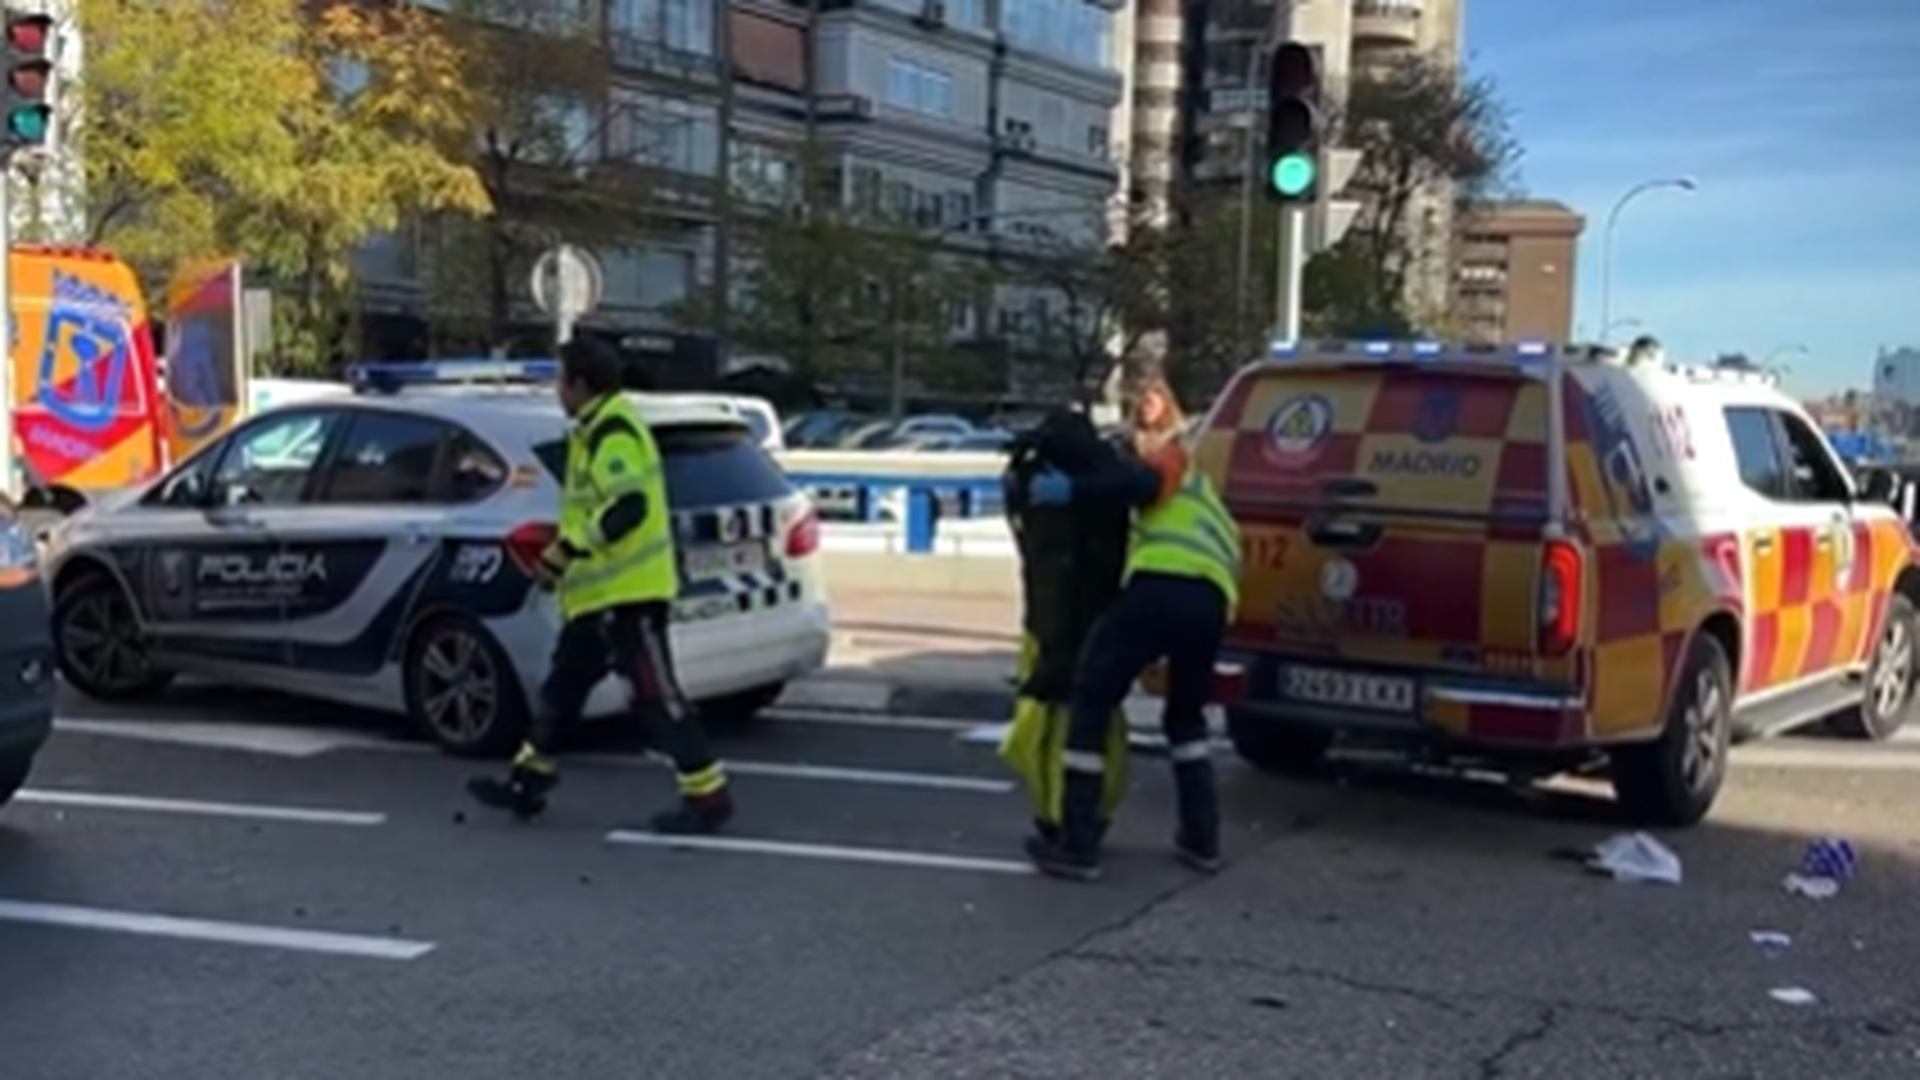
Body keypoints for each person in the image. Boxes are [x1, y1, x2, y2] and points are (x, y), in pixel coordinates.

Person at [466, 338, 734, 835]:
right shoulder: (594, 429)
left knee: (655, 697)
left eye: (560, 380)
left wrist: (567, 551)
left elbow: (628, 507)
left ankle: (707, 797)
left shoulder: (613, 431)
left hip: (630, 596)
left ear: (581, 384)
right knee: (562, 692)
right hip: (599, 598)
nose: (556, 391)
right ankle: (528, 781)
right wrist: (564, 564)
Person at [1020, 380, 1240, 881]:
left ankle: (1077, 843)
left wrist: (1072, 491)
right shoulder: (1206, 496)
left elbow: (1138, 485)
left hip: (1159, 589)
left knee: (1090, 698)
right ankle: (1201, 839)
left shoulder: (1170, 462)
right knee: (1186, 721)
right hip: (1210, 604)